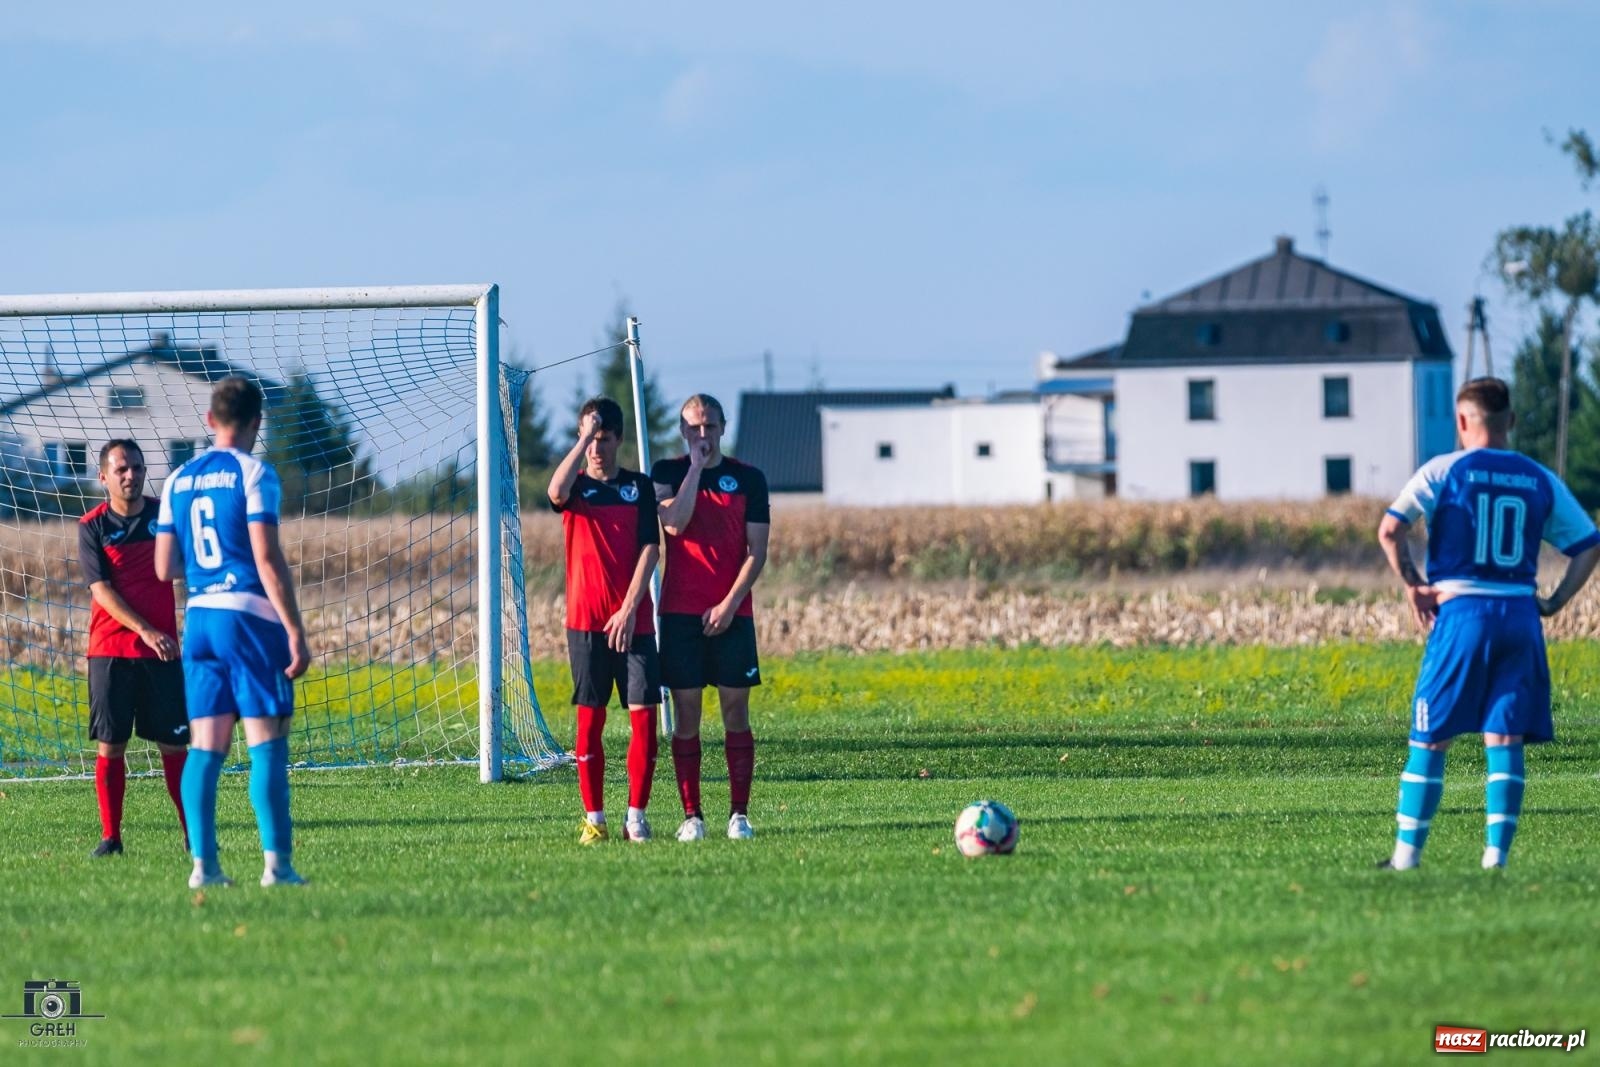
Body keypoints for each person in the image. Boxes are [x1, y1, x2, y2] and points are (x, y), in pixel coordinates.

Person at [1378, 376, 1600, 871]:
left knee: (1430, 735)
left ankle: (1405, 858)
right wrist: (1557, 599)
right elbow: (1588, 544)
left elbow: (1391, 529)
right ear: (1511, 423)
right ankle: (1495, 859)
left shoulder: (1442, 470)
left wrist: (1414, 584)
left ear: (1461, 421)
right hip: (1520, 616)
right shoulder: (1538, 477)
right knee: (1504, 737)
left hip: (1461, 613)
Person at [154, 376, 312, 889]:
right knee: (265, 743)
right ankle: (277, 867)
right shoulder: (254, 474)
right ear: (255, 423)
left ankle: (204, 868)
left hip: (198, 618)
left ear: (210, 420)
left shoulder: (177, 479)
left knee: (205, 747)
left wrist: (205, 565)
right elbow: (266, 557)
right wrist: (295, 630)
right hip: (246, 616)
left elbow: (164, 567)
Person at [651, 394, 770, 842]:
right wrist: (696, 470)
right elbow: (675, 526)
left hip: (733, 613)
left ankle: (739, 815)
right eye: (695, 428)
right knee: (686, 714)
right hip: (680, 614)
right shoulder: (666, 474)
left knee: (735, 711)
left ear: (724, 427)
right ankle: (692, 816)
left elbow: (757, 552)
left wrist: (728, 605)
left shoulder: (749, 479)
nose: (704, 435)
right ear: (683, 431)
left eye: (711, 427)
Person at [547, 397, 662, 845]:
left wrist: (630, 607)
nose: (596, 448)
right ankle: (594, 819)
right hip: (586, 624)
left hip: (634, 623)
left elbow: (651, 549)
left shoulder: (639, 487)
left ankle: (636, 817)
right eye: (589, 439)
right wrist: (579, 439)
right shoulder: (575, 487)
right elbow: (554, 492)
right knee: (590, 723)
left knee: (644, 719)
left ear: (618, 440)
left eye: (603, 438)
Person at [79, 440, 188, 857]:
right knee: (112, 746)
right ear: (104, 477)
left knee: (175, 747)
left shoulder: (165, 516)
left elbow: (187, 562)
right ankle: (111, 838)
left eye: (137, 468)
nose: (131, 475)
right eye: (122, 469)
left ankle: (190, 833)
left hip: (162, 654)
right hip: (110, 651)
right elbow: (101, 591)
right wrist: (145, 629)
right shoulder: (92, 526)